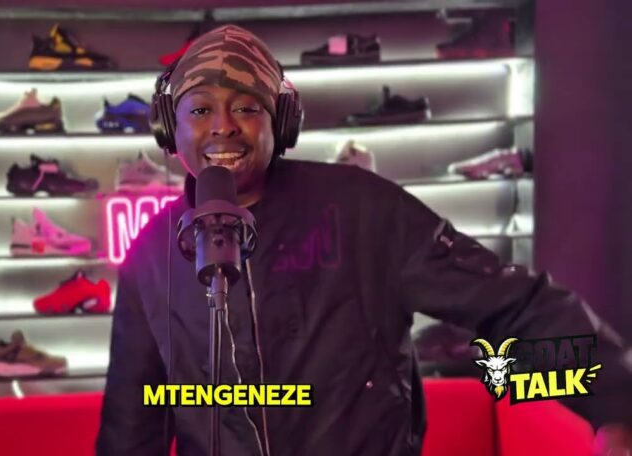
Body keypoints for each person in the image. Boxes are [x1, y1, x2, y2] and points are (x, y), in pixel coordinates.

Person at [97, 25, 632, 455]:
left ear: (281, 123)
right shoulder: (152, 254)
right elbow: (133, 421)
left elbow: (514, 302)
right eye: (200, 109)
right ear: (169, 128)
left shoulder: (363, 210)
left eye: (246, 107)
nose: (223, 126)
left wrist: (615, 403)